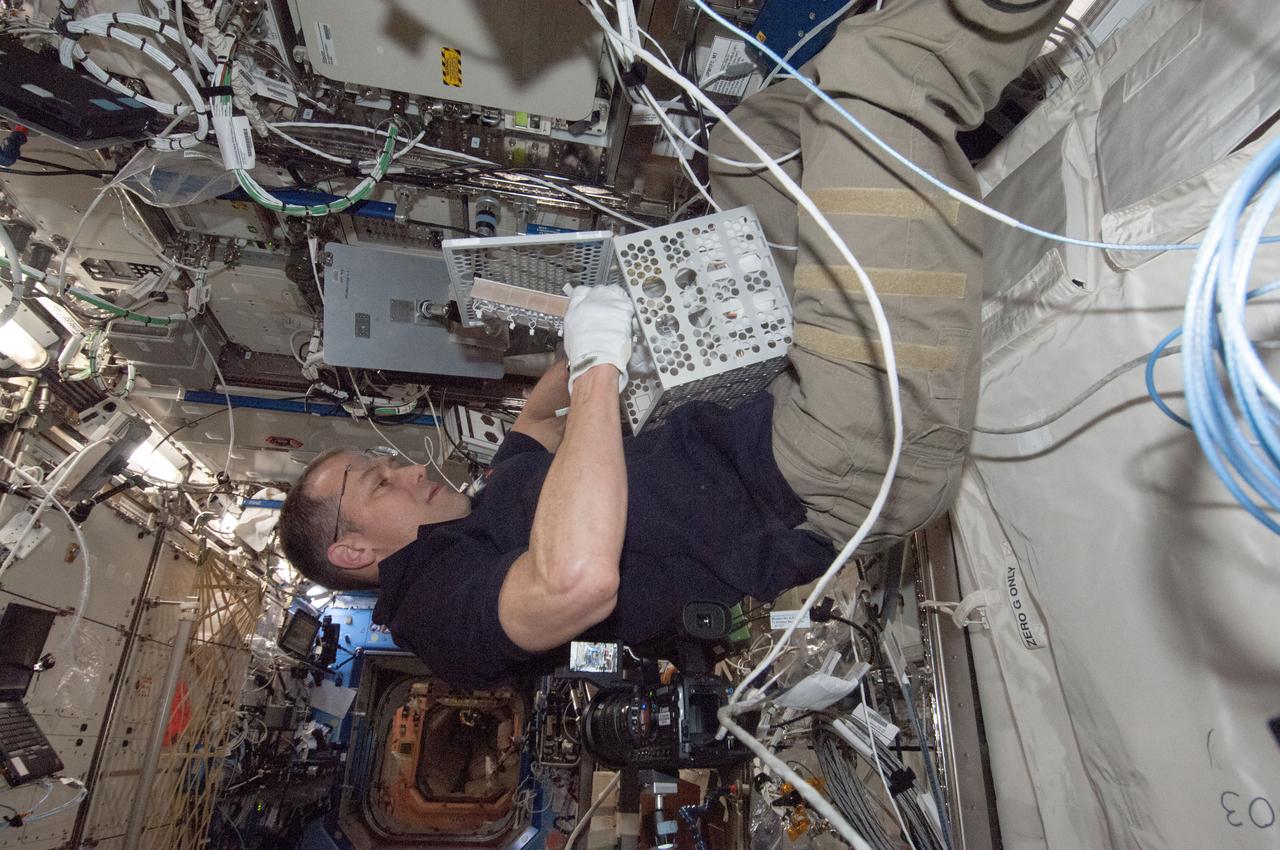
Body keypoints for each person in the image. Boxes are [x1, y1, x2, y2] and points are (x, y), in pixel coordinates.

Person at [279, 0, 1070, 686]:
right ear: (352, 553)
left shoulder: (490, 512)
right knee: (873, 81)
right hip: (837, 468)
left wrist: (586, 311)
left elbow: (529, 428)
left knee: (742, 148)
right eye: (377, 482)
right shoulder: (435, 612)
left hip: (772, 419)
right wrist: (597, 367)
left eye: (382, 461)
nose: (405, 468)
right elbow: (574, 581)